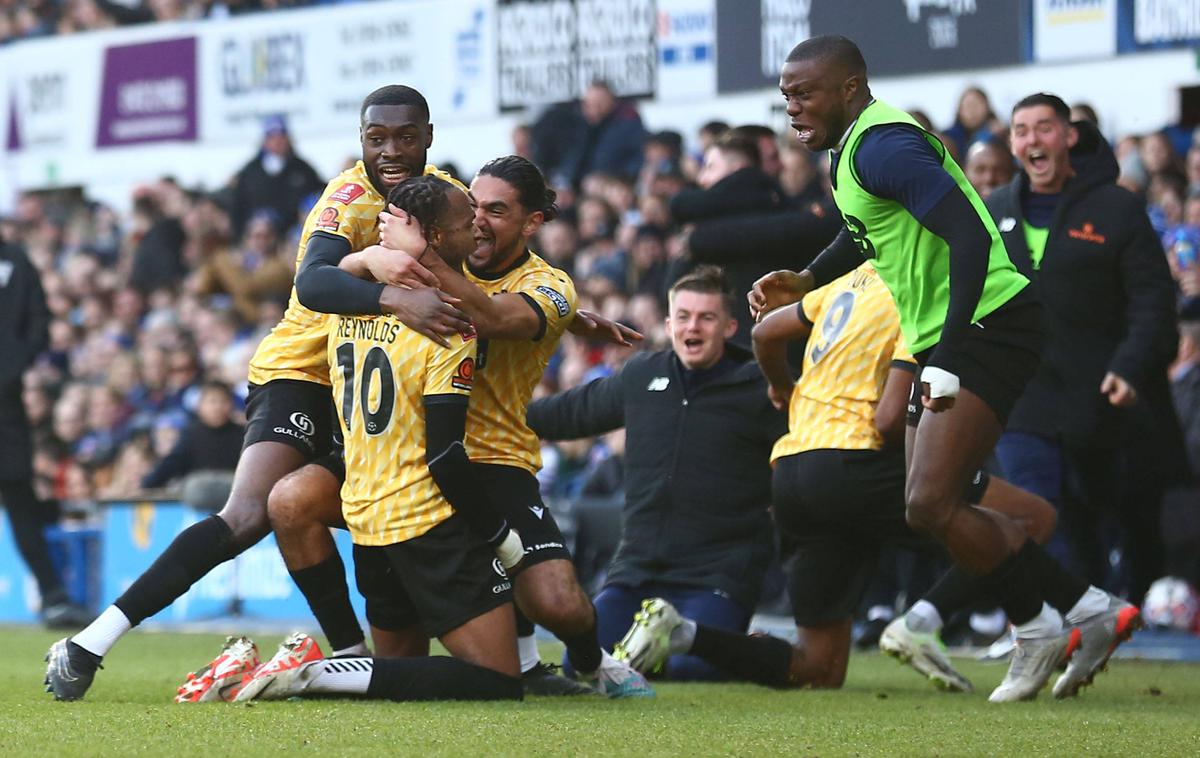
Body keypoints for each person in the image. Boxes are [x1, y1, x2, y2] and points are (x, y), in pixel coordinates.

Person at [44, 84, 469, 702]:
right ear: (360, 142)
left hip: (382, 381)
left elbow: (490, 251)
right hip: (303, 376)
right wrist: (394, 290)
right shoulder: (347, 198)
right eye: (377, 139)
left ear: (428, 136)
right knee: (248, 514)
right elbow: (314, 280)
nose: (392, 151)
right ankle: (92, 641)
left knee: (443, 477)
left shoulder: (445, 192)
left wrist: (546, 303)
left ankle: (501, 655)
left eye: (406, 137)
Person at [748, 36, 1136, 702]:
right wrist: (810, 274)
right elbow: (866, 229)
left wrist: (947, 352)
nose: (792, 107)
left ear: (849, 87)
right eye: (785, 95)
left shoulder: (885, 144)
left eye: (803, 92)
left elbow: (969, 233)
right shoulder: (853, 150)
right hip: (949, 333)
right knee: (929, 504)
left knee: (930, 500)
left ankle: (1041, 624)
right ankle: (1086, 610)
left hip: (990, 324)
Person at [259, 155, 652, 698]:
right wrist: (373, 259)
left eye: (497, 211)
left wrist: (416, 256)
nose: (481, 221)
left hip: (491, 458)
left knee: (556, 602)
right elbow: (321, 281)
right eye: (473, 208)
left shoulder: (548, 284)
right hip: (412, 457)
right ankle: (349, 655)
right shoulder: (439, 258)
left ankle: (589, 662)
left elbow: (491, 319)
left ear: (531, 223)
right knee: (290, 501)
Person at [617, 262, 1054, 692]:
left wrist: (782, 388)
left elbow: (764, 333)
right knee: (1030, 519)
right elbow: (886, 421)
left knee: (819, 667)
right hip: (855, 462)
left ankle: (685, 635)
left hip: (794, 468)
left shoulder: (849, 282)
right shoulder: (917, 285)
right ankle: (923, 621)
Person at [228, 176, 526, 703]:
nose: (477, 227)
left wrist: (370, 257)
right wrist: (499, 535)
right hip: (425, 522)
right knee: (500, 679)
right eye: (464, 223)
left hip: (367, 521)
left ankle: (336, 666)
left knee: (401, 677)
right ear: (433, 236)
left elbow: (329, 274)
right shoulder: (447, 322)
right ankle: (319, 673)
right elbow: (445, 455)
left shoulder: (354, 304)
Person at [526, 266, 786, 680]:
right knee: (581, 663)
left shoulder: (761, 387)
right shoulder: (643, 374)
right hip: (638, 571)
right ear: (668, 324)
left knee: (688, 668)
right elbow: (566, 413)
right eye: (683, 316)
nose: (692, 327)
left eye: (706, 317)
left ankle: (756, 648)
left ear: (730, 326)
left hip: (716, 574)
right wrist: (485, 414)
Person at [987, 94, 1184, 603]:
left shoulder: (1116, 207)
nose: (1032, 140)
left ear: (1069, 136)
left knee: (1105, 521)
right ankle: (1055, 620)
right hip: (1024, 401)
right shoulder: (993, 213)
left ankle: (1106, 609)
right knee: (1034, 507)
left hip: (1104, 401)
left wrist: (1131, 365)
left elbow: (1153, 300)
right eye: (1021, 130)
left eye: (1044, 128)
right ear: (1012, 142)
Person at [0, 239, 92, 628]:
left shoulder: (15, 259)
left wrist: (12, 365)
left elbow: (39, 322)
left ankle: (53, 597)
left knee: (20, 499)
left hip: (6, 406)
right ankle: (53, 595)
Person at [229, 115, 325, 238]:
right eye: (272, 137)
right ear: (264, 140)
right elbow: (238, 207)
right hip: (257, 238)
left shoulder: (304, 170)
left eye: (281, 136)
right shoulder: (249, 172)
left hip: (293, 239)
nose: (277, 141)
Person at [140, 380, 244, 490]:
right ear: (200, 405)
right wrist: (147, 485)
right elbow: (172, 463)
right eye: (212, 401)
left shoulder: (243, 434)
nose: (218, 407)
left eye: (223, 401)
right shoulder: (190, 434)